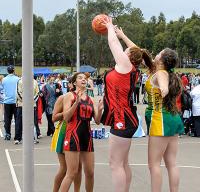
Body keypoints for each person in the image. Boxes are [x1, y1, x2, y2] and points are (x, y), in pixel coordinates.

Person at [100, 18, 147, 192]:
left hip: (122, 119)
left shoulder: (126, 65)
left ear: (127, 55)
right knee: (123, 162)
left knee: (115, 164)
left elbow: (113, 43)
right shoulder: (132, 66)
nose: (123, 50)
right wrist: (123, 35)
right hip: (127, 118)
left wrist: (110, 27)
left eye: (125, 50)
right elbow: (138, 51)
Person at [144, 48, 184, 192]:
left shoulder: (161, 73)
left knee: (154, 164)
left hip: (160, 120)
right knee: (171, 163)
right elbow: (141, 52)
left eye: (159, 52)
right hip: (171, 118)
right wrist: (122, 36)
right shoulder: (162, 70)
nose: (156, 54)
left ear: (161, 58)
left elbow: (163, 85)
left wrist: (163, 89)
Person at [60, 72, 103, 192]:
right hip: (73, 134)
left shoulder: (90, 99)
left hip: (87, 136)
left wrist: (99, 110)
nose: (83, 80)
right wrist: (76, 103)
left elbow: (98, 121)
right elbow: (66, 117)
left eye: (85, 78)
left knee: (90, 172)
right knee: (72, 173)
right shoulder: (69, 96)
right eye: (80, 78)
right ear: (74, 82)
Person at [51, 95, 82, 192]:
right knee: (64, 168)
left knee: (78, 167)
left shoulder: (85, 98)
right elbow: (54, 118)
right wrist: (69, 110)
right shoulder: (63, 97)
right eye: (79, 78)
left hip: (78, 132)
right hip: (64, 132)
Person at [15, 78, 40, 144]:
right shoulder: (20, 81)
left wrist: (31, 101)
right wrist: (25, 101)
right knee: (19, 122)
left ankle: (34, 137)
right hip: (21, 105)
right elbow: (18, 93)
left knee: (33, 122)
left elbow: (37, 93)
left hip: (32, 105)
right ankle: (18, 138)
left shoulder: (35, 82)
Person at [2, 65, 20, 140]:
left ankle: (8, 134)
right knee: (17, 119)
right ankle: (17, 135)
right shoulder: (18, 79)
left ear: (7, 71)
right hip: (16, 101)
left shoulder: (4, 79)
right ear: (13, 70)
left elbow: (3, 89)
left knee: (7, 119)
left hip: (7, 101)